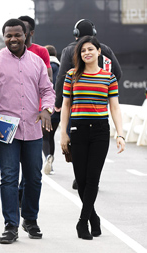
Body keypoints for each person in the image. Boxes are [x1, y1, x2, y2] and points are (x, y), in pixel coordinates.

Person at [0, 19, 55, 244]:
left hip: (33, 129)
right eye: (8, 35)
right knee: (9, 178)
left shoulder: (37, 62)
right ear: (4, 37)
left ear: (26, 36)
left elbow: (47, 90)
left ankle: (30, 220)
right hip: (5, 132)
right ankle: (10, 225)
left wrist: (47, 109)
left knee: (34, 178)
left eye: (17, 35)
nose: (13, 39)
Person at [59, 35, 125, 240]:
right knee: (81, 178)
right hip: (78, 130)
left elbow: (114, 107)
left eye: (90, 49)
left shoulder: (109, 77)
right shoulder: (71, 75)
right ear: (79, 55)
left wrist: (120, 134)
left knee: (93, 178)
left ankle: (82, 223)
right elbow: (66, 106)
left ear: (99, 52)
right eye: (82, 50)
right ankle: (94, 219)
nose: (86, 53)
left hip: (100, 131)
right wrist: (63, 133)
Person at [54, 19, 122, 190]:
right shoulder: (104, 49)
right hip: (99, 109)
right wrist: (105, 89)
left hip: (78, 109)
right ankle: (89, 179)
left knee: (77, 146)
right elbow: (118, 73)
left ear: (75, 34)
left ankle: (81, 177)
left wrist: (58, 103)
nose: (86, 52)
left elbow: (61, 79)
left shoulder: (70, 50)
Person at [17, 15, 53, 202]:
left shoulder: (40, 52)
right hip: (14, 117)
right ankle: (19, 190)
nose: (17, 34)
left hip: (37, 113)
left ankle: (24, 189)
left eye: (22, 29)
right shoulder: (6, 53)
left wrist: (46, 107)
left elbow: (48, 81)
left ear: (30, 32)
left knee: (32, 162)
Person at [42, 45, 61, 175]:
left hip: (46, 107)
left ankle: (47, 157)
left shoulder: (45, 67)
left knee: (44, 137)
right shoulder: (61, 68)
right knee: (52, 136)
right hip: (58, 108)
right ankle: (51, 163)